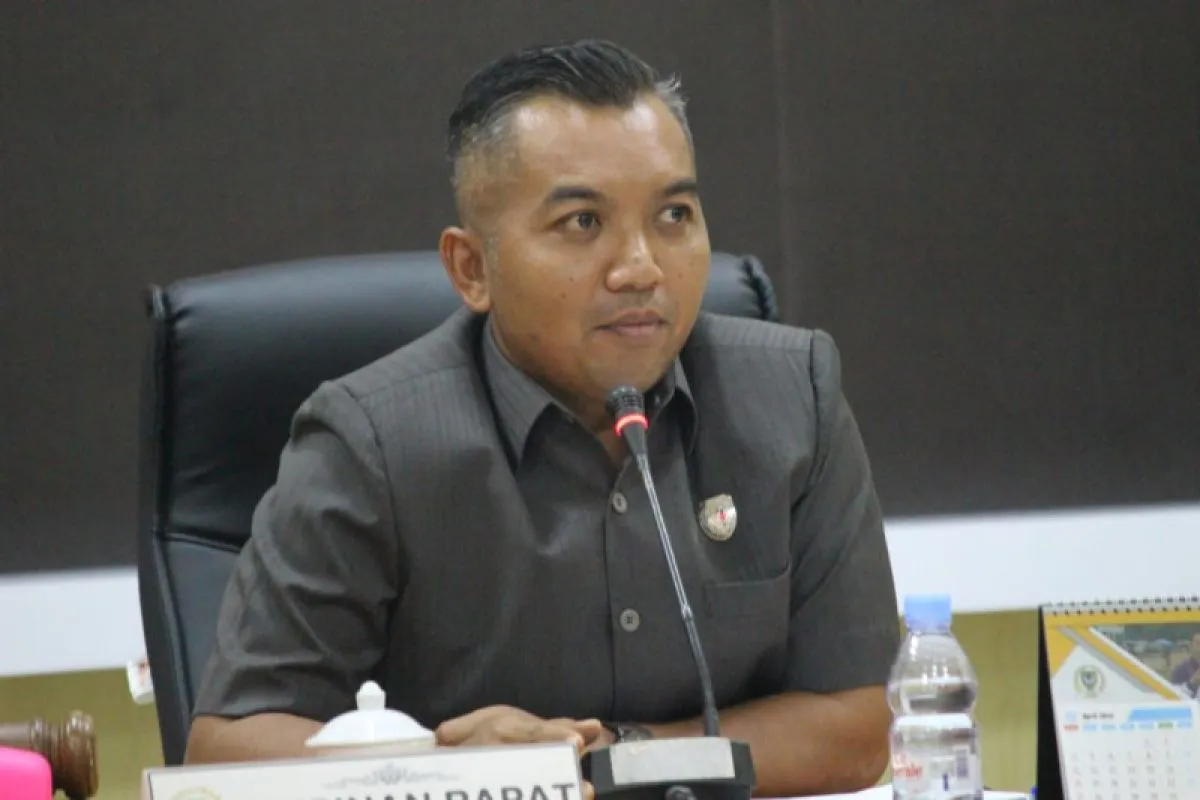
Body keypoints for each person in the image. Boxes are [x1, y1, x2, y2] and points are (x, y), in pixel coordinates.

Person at [185, 39, 900, 795]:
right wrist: (459, 772)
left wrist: (608, 760)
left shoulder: (793, 396)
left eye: (674, 215)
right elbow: (224, 752)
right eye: (583, 223)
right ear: (472, 269)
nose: (641, 268)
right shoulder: (369, 443)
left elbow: (858, 724)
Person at [1169, 631, 1200, 698]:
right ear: (1191, 646)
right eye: (1198, 643)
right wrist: (1192, 683)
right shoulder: (1180, 670)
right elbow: (1173, 696)